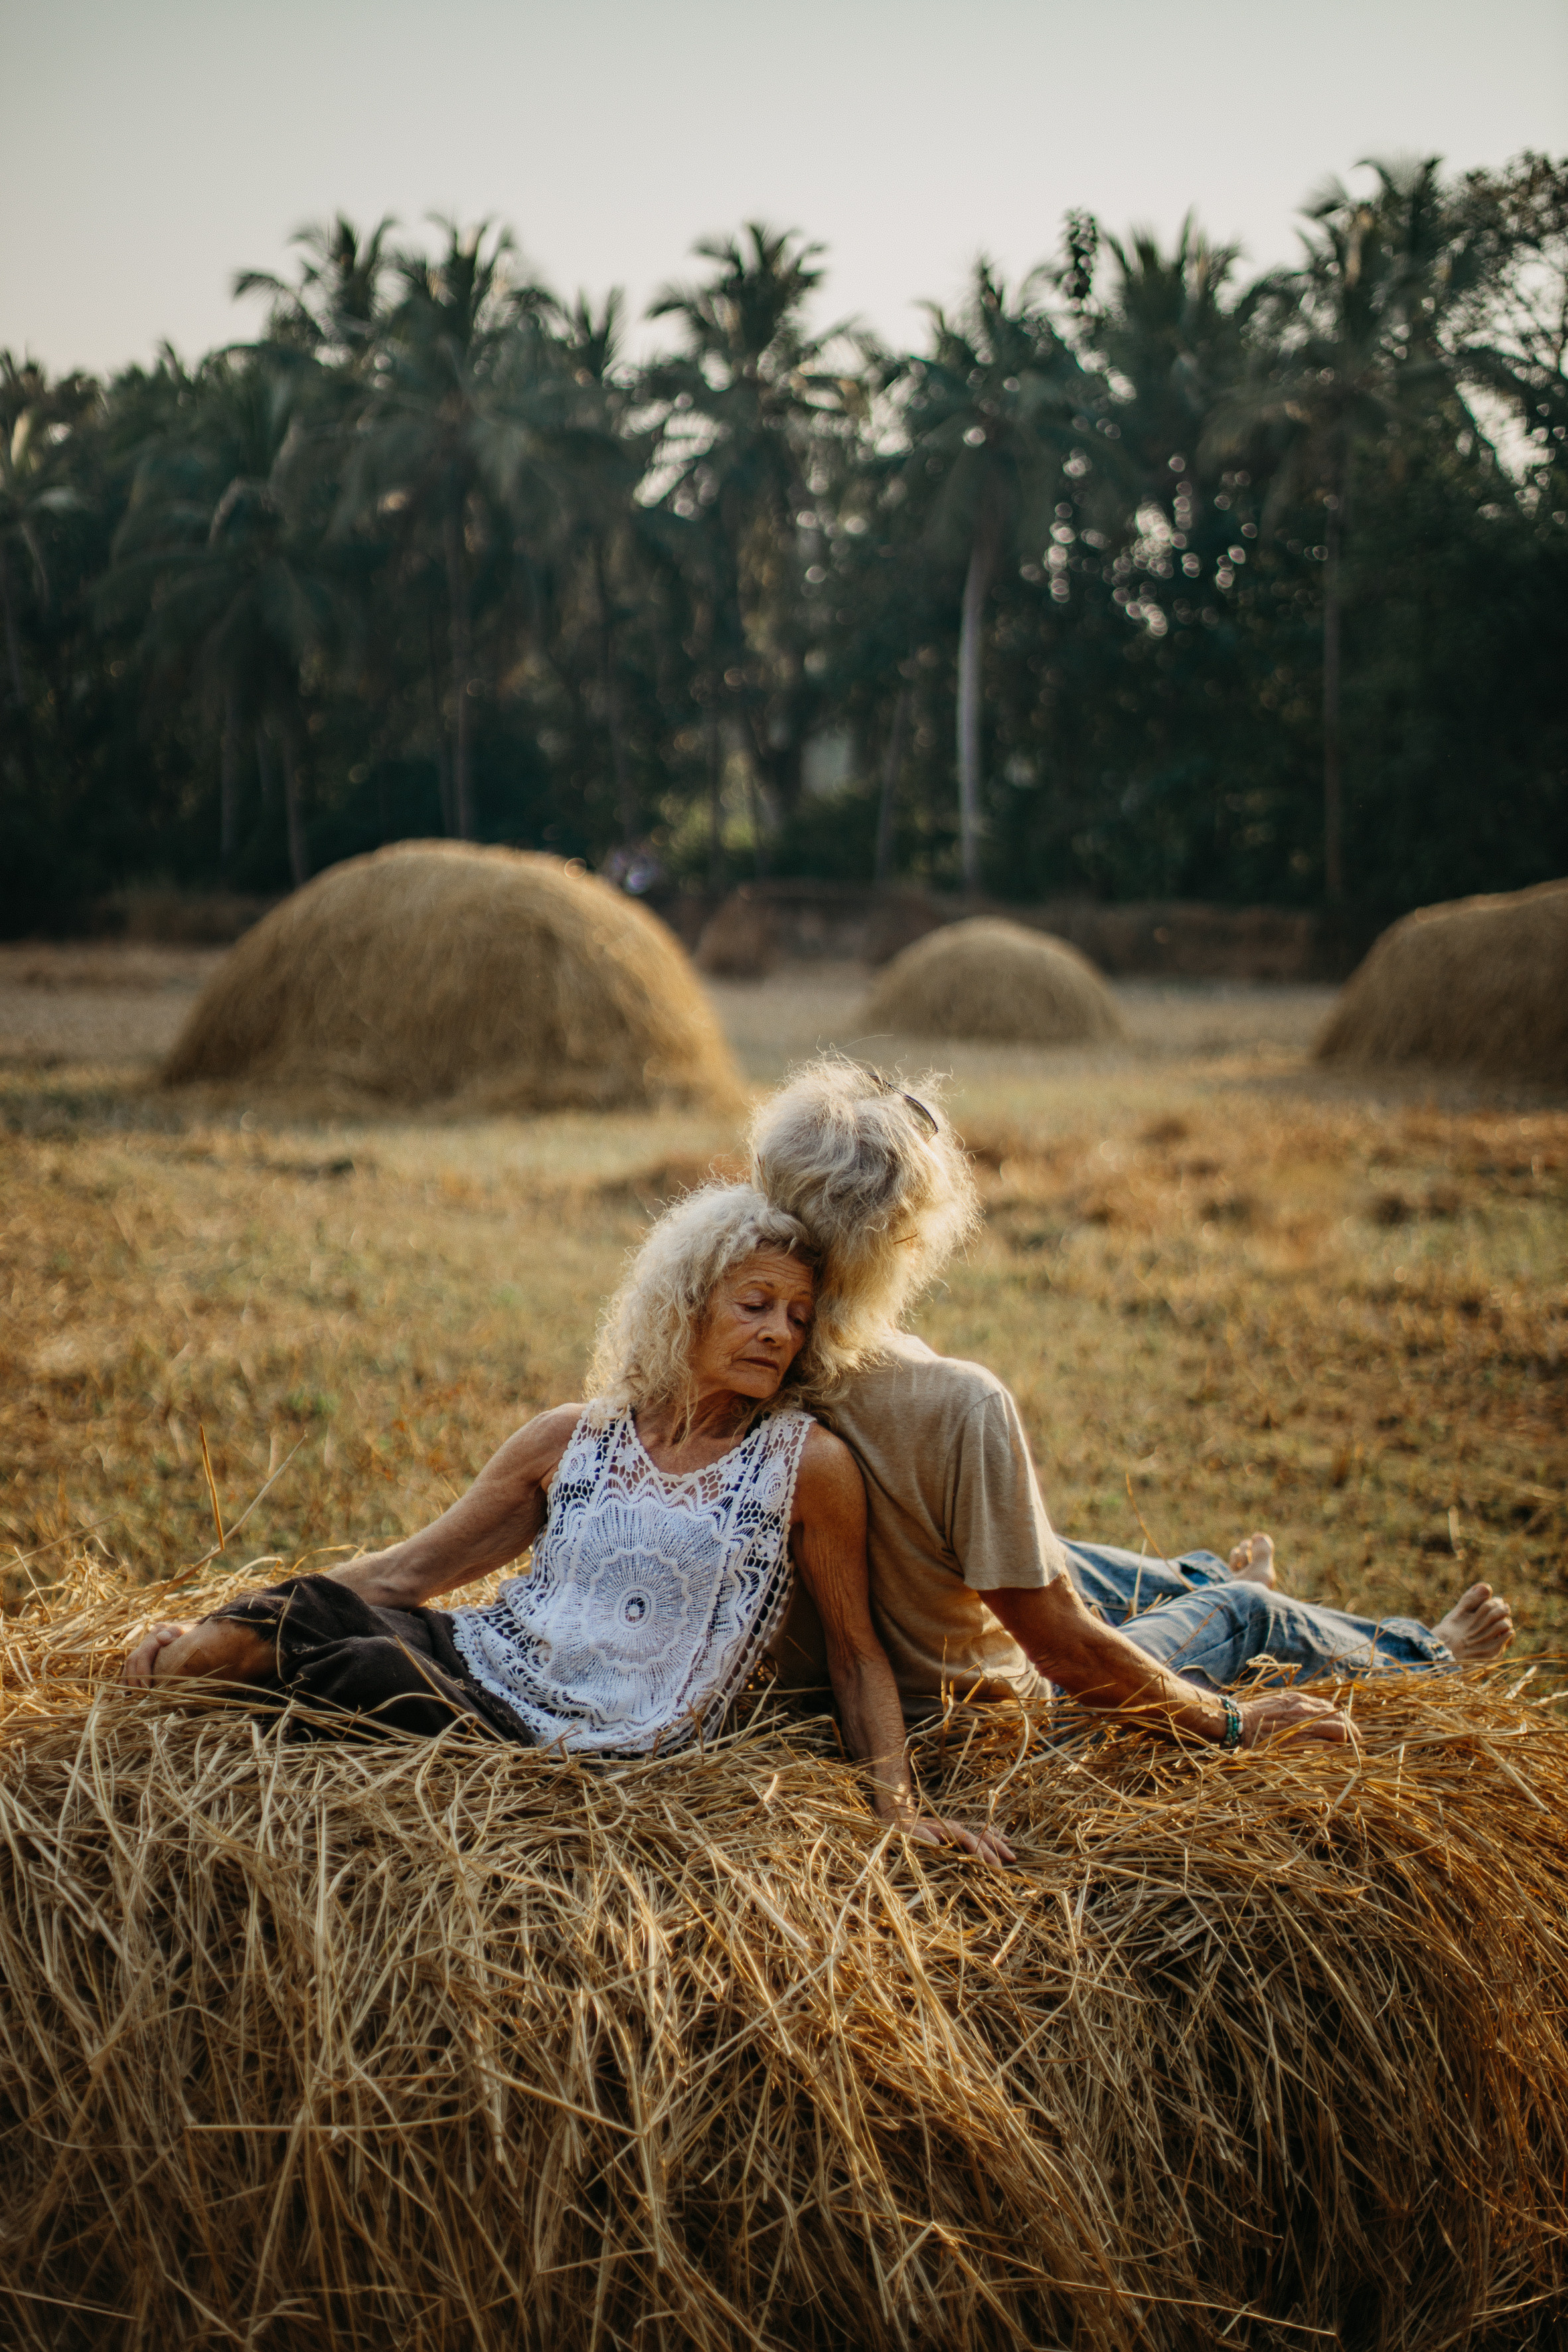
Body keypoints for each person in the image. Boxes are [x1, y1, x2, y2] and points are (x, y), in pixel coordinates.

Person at [123, 1184, 1009, 1859]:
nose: (778, 1332)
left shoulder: (806, 1464)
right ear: (686, 1303)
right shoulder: (569, 1437)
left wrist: (898, 1811)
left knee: (358, 1666)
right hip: (483, 1657)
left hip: (593, 1733)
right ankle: (159, 1674)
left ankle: (215, 1671)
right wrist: (239, 1609)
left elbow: (856, 1652)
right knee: (295, 1622)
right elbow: (405, 1575)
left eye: (798, 1317)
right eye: (754, 1304)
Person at [749, 1057, 1514, 1751]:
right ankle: (1424, 1653)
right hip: (985, 1734)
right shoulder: (958, 1404)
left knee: (1052, 1550)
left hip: (828, 1711)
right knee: (1245, 1618)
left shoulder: (742, 1358)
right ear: (909, 1237)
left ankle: (1200, 1576)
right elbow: (1058, 1649)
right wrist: (1233, 1722)